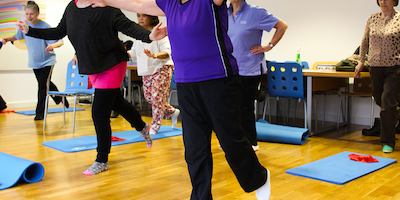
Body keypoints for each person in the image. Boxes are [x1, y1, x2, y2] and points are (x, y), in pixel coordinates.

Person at [87, 0, 271, 199]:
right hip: (186, 83)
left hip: (218, 80)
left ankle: (259, 178)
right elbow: (139, 5)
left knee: (231, 142)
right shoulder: (169, 4)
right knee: (194, 149)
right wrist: (105, 0)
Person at [17, 0, 167, 175]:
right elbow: (59, 31)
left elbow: (128, 26)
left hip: (112, 63)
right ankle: (142, 126)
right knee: (116, 102)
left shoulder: (105, 6)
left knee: (99, 112)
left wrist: (149, 36)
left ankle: (102, 159)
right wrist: (30, 31)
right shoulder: (72, 7)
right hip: (92, 66)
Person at [228, 0, 287, 151]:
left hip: (250, 69)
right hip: (230, 69)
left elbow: (282, 26)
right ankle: (237, 142)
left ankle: (251, 142)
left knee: (245, 107)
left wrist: (269, 46)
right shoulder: (224, 12)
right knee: (231, 107)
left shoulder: (256, 12)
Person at [1, 1, 68, 121]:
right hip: (34, 62)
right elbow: (17, 37)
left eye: (31, 14)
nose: (29, 16)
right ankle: (60, 98)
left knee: (42, 87)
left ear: (37, 13)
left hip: (47, 61)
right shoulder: (24, 26)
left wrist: (52, 46)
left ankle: (40, 114)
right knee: (45, 84)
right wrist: (6, 39)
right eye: (26, 14)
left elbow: (60, 41)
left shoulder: (44, 26)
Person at [355, 0, 400, 153]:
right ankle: (395, 113)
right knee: (378, 97)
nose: (383, 1)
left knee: (387, 102)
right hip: (375, 67)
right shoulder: (372, 19)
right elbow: (364, 41)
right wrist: (361, 61)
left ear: (394, 1)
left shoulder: (399, 19)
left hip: (395, 68)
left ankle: (387, 142)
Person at [130, 13, 179, 135]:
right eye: (138, 16)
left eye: (143, 16)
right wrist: (119, 53)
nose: (140, 18)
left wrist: (156, 55)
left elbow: (168, 52)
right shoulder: (139, 35)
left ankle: (155, 126)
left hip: (162, 67)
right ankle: (172, 111)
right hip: (147, 71)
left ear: (151, 17)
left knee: (157, 98)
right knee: (150, 98)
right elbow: (134, 53)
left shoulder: (159, 33)